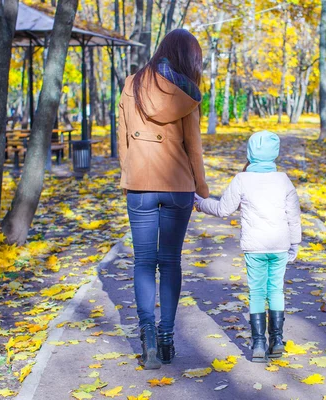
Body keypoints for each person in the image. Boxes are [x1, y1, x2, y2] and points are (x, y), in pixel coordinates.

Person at [117, 29, 209, 370]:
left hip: (140, 183)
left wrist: (127, 176)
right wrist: (201, 185)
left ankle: (148, 337)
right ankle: (167, 337)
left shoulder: (132, 84)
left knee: (143, 262)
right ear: (188, 58)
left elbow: (123, 137)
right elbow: (193, 147)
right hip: (178, 186)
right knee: (170, 262)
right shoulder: (188, 93)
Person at [194, 131, 302, 362]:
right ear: (275, 153)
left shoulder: (242, 180)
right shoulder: (283, 180)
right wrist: (295, 243)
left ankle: (259, 345)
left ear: (250, 153)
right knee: (275, 290)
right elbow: (293, 216)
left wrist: (201, 203)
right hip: (279, 245)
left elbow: (223, 209)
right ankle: (277, 339)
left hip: (255, 247)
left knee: (256, 292)